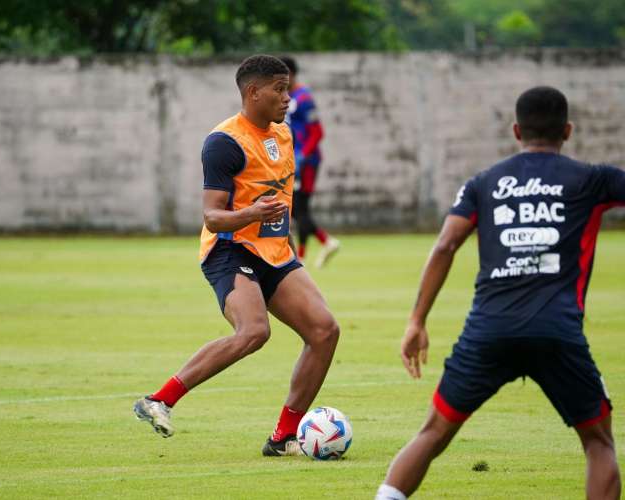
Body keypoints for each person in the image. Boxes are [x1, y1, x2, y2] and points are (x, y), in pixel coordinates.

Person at [376, 86, 622, 500]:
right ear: (568, 130)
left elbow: (444, 246)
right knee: (599, 442)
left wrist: (416, 321)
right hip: (557, 334)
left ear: (515, 130)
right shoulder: (594, 180)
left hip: (488, 332)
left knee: (434, 432)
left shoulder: (485, 183)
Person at [133, 55, 340, 457]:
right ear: (253, 92)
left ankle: (282, 439)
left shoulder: (283, 134)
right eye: (279, 89)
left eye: (288, 88)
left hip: (274, 252)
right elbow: (212, 217)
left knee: (324, 332)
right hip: (230, 249)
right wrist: (252, 213)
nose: (287, 98)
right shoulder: (223, 142)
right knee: (254, 332)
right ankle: (159, 400)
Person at [280, 56, 339, 268]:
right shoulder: (285, 97)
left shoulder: (304, 98)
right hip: (292, 161)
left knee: (299, 207)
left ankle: (322, 243)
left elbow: (317, 132)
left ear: (291, 74)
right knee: (297, 208)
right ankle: (308, 252)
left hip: (307, 162)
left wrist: (302, 155)